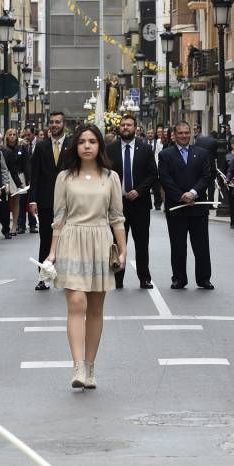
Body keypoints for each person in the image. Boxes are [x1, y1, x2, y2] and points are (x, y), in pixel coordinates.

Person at [47, 123, 126, 389]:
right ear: (76, 146)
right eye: (82, 142)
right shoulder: (65, 178)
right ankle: (78, 366)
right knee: (76, 303)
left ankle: (91, 367)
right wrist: (52, 253)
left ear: (100, 145)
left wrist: (123, 250)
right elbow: (58, 219)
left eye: (92, 141)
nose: (87, 146)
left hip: (100, 243)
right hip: (72, 240)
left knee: (95, 309)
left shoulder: (111, 177)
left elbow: (117, 218)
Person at [159, 121, 214, 289]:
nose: (183, 136)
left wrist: (193, 193)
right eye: (180, 133)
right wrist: (180, 196)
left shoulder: (202, 153)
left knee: (201, 245)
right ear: (174, 135)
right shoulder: (165, 155)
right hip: (176, 207)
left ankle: (204, 278)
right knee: (178, 246)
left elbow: (207, 176)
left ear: (191, 134)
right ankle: (179, 278)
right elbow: (165, 178)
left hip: (198, 206)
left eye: (186, 133)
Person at [106, 114, 158, 289]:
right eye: (123, 125)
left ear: (135, 128)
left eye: (129, 125)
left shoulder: (145, 149)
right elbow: (104, 174)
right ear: (119, 128)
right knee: (117, 242)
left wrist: (139, 190)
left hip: (140, 203)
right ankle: (117, 278)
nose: (125, 128)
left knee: (142, 242)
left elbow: (153, 174)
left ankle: (144, 278)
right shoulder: (110, 149)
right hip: (117, 205)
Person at [29, 111, 71, 290]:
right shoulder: (41, 146)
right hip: (46, 201)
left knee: (68, 240)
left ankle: (68, 278)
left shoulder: (73, 145)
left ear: (64, 124)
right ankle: (44, 277)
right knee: (45, 239)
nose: (54, 125)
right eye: (52, 122)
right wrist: (33, 200)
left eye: (58, 122)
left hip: (69, 201)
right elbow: (35, 175)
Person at [4, 128, 28, 236]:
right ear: (7, 136)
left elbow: (26, 163)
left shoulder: (21, 147)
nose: (12, 136)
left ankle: (15, 225)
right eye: (10, 134)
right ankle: (6, 225)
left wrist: (27, 179)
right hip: (6, 175)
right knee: (6, 201)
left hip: (18, 175)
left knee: (16, 201)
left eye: (14, 134)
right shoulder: (3, 148)